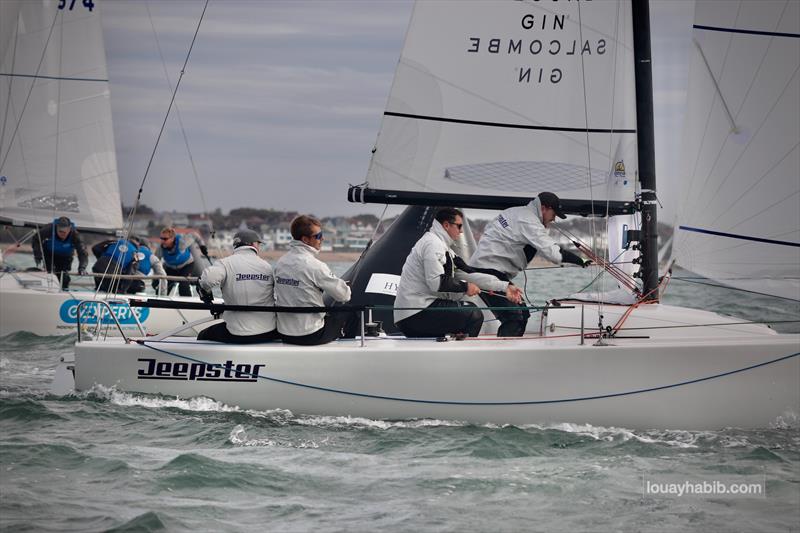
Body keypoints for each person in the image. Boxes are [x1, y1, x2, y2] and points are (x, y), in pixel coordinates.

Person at [468, 191, 590, 336]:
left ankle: (509, 351)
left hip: (488, 269)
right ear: (544, 208)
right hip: (487, 271)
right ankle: (503, 357)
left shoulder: (515, 212)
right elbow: (554, 254)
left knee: (523, 314)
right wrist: (580, 260)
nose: (554, 219)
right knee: (514, 318)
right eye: (554, 214)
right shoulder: (529, 221)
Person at [394, 208, 523, 338]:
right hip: (415, 313)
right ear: (446, 225)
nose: (461, 231)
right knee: (473, 314)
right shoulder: (432, 244)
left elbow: (469, 274)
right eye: (459, 226)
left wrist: (504, 286)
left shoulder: (444, 248)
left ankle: (453, 352)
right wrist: (466, 287)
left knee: (468, 312)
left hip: (417, 312)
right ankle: (465, 357)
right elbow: (436, 282)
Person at [274, 215, 351, 345]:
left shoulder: (281, 262)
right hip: (311, 334)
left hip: (284, 333)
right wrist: (344, 286)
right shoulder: (315, 265)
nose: (322, 239)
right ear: (305, 239)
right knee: (351, 314)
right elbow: (344, 296)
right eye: (318, 236)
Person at [196, 229, 279, 343]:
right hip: (268, 331)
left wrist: (206, 293)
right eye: (259, 244)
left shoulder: (225, 263)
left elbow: (206, 280)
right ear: (253, 244)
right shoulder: (267, 267)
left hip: (237, 333)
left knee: (203, 335)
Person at [32, 216, 88, 289]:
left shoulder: (75, 235)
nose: (62, 234)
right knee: (50, 273)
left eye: (64, 232)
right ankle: (47, 288)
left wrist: (82, 268)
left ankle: (63, 289)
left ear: (69, 229)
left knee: (63, 278)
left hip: (65, 257)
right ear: (56, 228)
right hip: (49, 254)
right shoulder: (49, 229)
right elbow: (36, 239)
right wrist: (38, 256)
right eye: (60, 231)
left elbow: (82, 253)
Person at [155, 227, 208, 296]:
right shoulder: (160, 249)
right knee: (163, 286)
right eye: (161, 238)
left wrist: (202, 246)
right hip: (171, 267)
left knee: (183, 286)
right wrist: (155, 278)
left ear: (172, 238)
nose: (162, 241)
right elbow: (156, 262)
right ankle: (160, 301)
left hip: (186, 265)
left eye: (165, 239)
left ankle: (187, 305)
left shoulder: (182, 242)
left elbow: (195, 235)